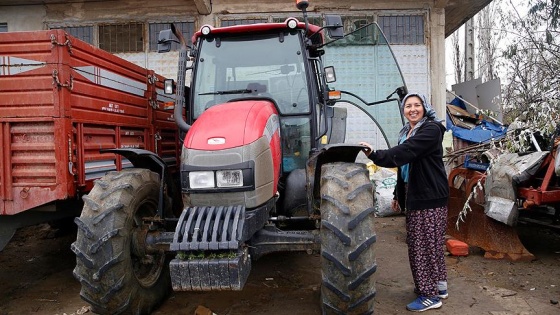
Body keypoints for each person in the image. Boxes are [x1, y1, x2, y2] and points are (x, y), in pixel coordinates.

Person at [359, 93, 449, 312]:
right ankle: (439, 286)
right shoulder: (407, 132)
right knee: (432, 243)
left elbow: (406, 153)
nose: (412, 109)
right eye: (408, 106)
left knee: (421, 246)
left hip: (428, 195)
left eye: (417, 105)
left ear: (425, 108)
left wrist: (376, 154)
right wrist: (399, 194)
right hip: (418, 193)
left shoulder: (431, 130)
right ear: (403, 110)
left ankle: (429, 295)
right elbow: (405, 169)